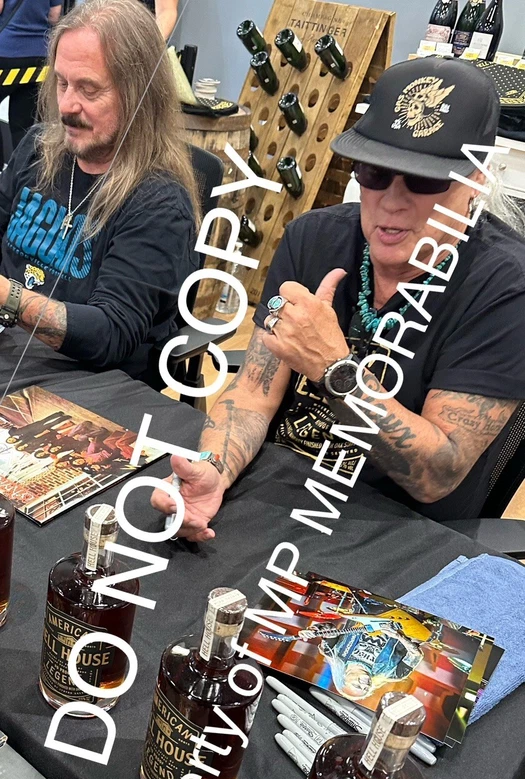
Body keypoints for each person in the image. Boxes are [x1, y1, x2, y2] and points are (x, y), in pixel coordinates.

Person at [151, 56, 525, 530]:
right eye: (374, 172)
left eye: (426, 180)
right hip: (278, 490)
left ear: (476, 180)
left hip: (397, 529)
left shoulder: (505, 287)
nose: (391, 201)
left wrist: (335, 369)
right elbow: (252, 394)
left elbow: (438, 474)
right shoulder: (313, 239)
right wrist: (214, 469)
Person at [0, 0, 199, 385]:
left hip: (86, 387)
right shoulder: (40, 147)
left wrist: (9, 297)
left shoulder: (160, 200)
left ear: (137, 93)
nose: (66, 106)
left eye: (88, 90)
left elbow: (111, 334)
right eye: (62, 83)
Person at [0, 0, 62, 162]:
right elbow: (55, 16)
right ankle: (19, 170)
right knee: (22, 126)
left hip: (6, 51)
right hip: (39, 55)